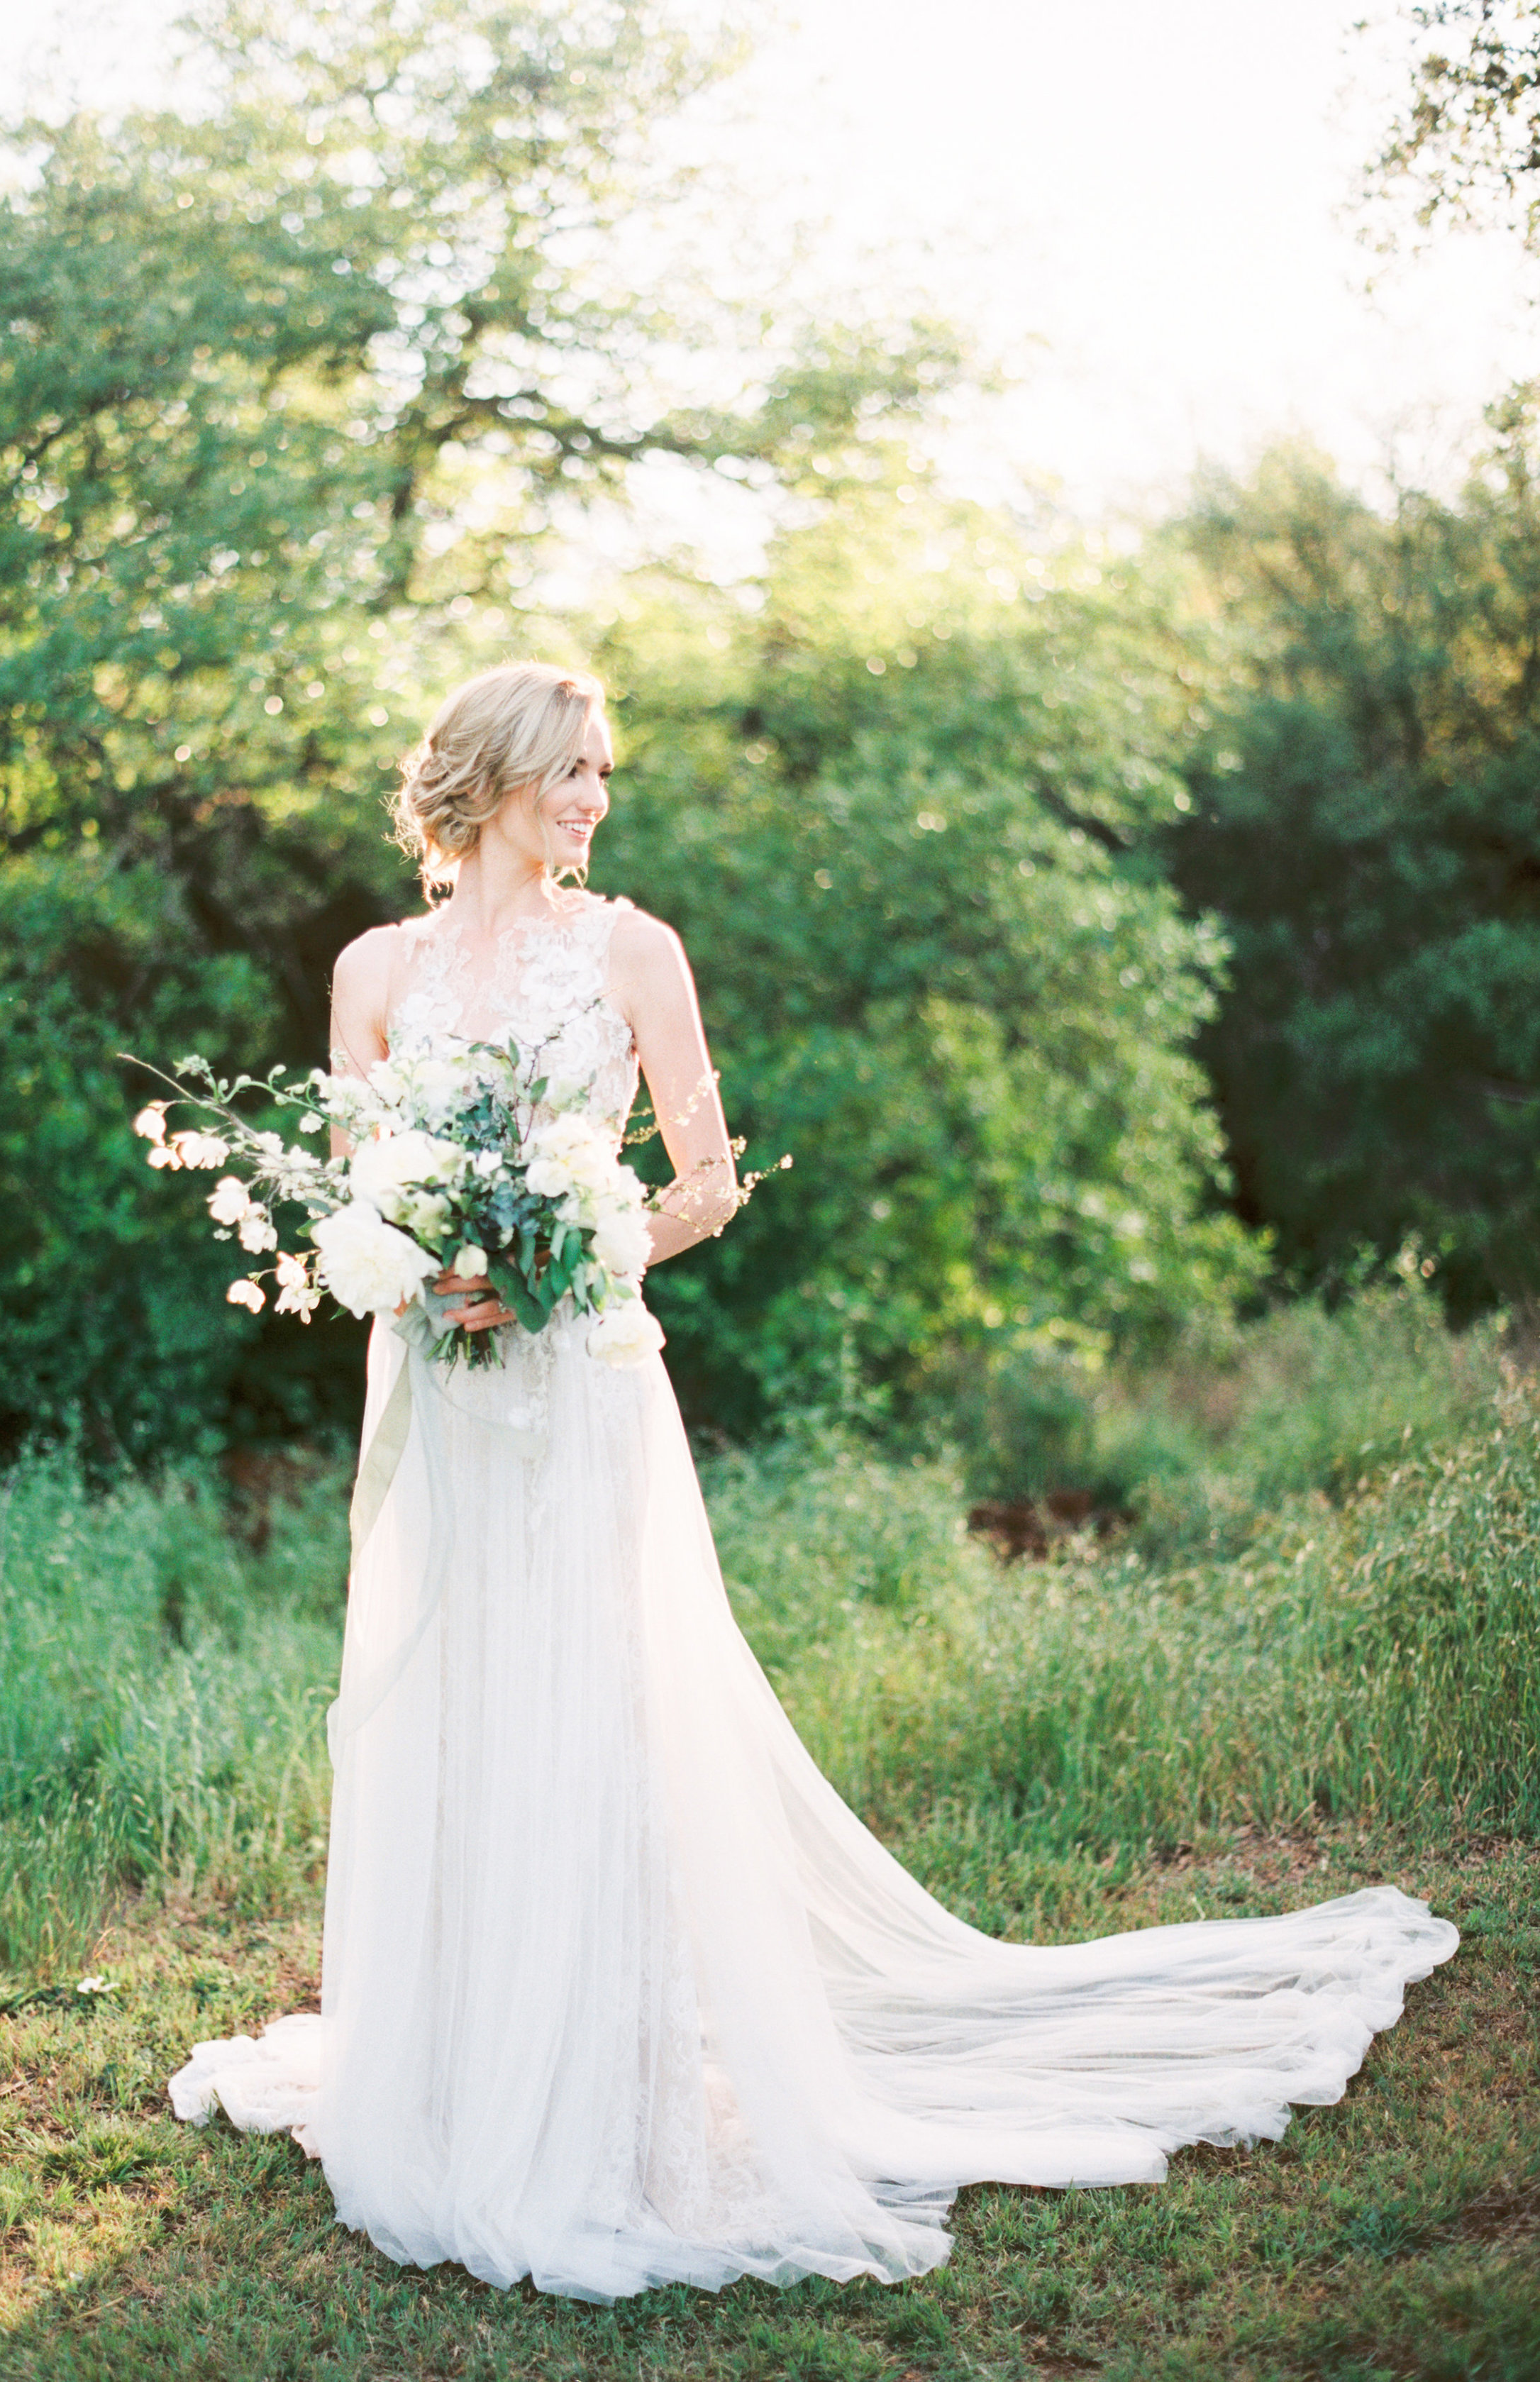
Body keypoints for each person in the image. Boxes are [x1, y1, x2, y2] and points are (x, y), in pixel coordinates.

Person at [169, 660, 1457, 2303]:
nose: (593, 798)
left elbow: (705, 1181)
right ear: (490, 776)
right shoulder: (367, 969)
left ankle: (604, 2113)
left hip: (578, 1387)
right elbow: (354, 1183)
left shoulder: (635, 951)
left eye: (604, 774)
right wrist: (414, 1265)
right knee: (454, 1704)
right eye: (571, 769)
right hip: (438, 1394)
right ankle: (442, 2074)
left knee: (592, 1709)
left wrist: (569, 1252)